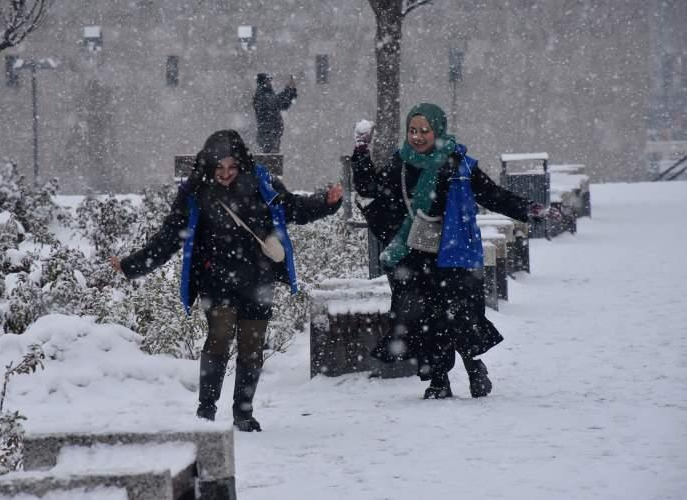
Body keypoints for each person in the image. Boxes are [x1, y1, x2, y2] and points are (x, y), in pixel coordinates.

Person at [111, 130, 342, 431]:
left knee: (252, 345)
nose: (226, 174)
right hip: (215, 280)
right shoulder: (195, 192)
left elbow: (293, 208)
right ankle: (206, 410)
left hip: (258, 278)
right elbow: (169, 237)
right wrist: (132, 266)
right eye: (219, 168)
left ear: (241, 163)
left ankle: (243, 414)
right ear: (208, 165)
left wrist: (327, 201)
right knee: (219, 336)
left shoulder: (262, 183)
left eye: (232, 168)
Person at [350, 103, 553, 399]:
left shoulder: (459, 164)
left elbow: (492, 195)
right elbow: (371, 189)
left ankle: (474, 367)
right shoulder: (401, 164)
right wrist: (360, 152)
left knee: (459, 315)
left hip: (452, 254)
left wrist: (527, 208)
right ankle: (438, 380)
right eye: (412, 131)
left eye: (424, 131)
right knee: (422, 318)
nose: (417, 137)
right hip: (414, 254)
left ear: (437, 130)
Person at [253, 73, 297, 153]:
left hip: (272, 135)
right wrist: (288, 90)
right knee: (270, 159)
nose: (270, 82)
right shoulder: (261, 95)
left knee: (273, 159)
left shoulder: (268, 93)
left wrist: (291, 90)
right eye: (268, 80)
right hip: (267, 136)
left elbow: (284, 105)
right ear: (263, 82)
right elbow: (277, 102)